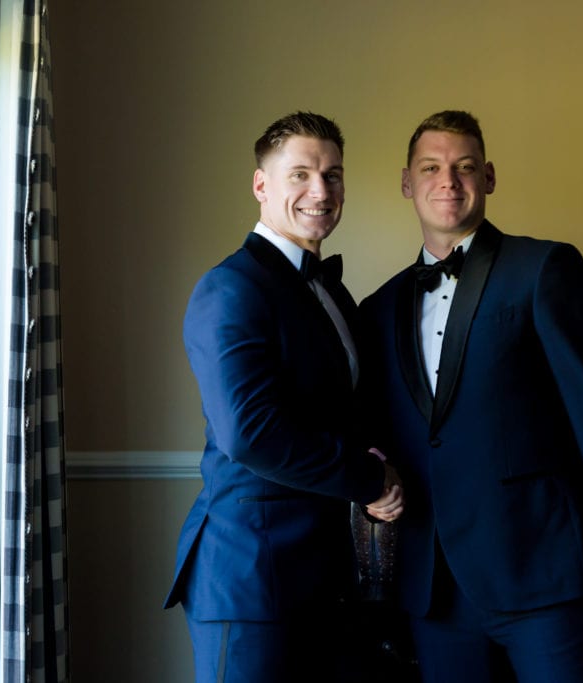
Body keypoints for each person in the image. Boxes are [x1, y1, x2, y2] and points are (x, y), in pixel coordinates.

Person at [359, 109, 583, 682]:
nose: (448, 181)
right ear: (407, 183)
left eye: (465, 166)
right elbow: (376, 428)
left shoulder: (545, 269)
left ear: (490, 177)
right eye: (430, 167)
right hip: (437, 594)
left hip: (546, 580)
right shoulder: (378, 308)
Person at [163, 111, 404, 683]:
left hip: (323, 572)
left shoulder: (334, 295)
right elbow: (251, 433)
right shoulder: (230, 287)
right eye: (300, 174)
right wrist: (369, 481)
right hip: (247, 574)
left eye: (333, 175)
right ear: (261, 185)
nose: (320, 191)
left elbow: (339, 412)